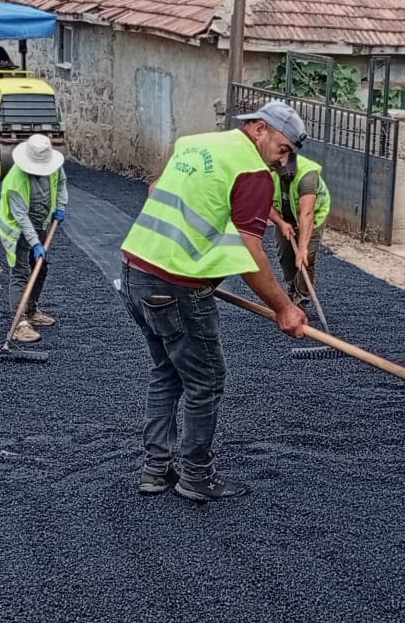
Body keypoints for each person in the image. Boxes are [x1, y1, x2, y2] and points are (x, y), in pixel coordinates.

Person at [120, 99, 308, 504]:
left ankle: (156, 470)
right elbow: (250, 251)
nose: (284, 159)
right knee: (206, 380)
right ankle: (197, 477)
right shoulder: (254, 173)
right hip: (177, 287)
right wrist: (284, 307)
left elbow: (156, 190)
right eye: (284, 147)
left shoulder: (195, 144)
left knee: (167, 371)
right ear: (260, 128)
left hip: (136, 272)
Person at [0, 133, 67, 344]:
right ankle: (19, 324)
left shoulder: (54, 166)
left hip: (42, 222)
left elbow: (62, 183)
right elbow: (21, 217)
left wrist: (61, 206)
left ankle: (31, 310)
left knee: (41, 267)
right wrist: (35, 243)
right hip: (17, 229)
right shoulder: (15, 181)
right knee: (21, 272)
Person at [270, 148, 331, 309]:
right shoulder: (267, 171)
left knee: (306, 258)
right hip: (283, 214)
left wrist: (303, 248)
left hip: (313, 215)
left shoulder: (307, 176)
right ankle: (292, 290)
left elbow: (307, 213)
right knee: (285, 254)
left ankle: (300, 298)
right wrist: (281, 223)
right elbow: (263, 203)